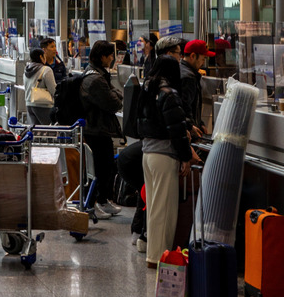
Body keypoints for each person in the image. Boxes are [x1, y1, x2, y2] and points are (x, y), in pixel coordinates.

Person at [138, 55, 201, 269]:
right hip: (165, 156)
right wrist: (185, 156)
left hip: (148, 153)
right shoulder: (170, 94)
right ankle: (158, 258)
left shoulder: (148, 88)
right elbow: (176, 132)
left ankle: (153, 254)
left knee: (155, 208)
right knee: (164, 211)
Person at [79, 40, 124, 220]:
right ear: (103, 56)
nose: (113, 58)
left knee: (105, 166)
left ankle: (102, 200)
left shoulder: (98, 74)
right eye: (111, 55)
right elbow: (114, 102)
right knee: (97, 168)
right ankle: (91, 204)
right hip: (95, 129)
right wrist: (117, 95)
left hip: (99, 128)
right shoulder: (95, 79)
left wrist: (115, 93)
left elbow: (114, 95)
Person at [180, 40, 214, 138]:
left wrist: (200, 123)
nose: (203, 63)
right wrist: (191, 126)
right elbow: (185, 107)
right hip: (188, 133)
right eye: (203, 59)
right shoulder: (188, 77)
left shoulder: (181, 69)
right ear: (193, 56)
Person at [24, 48, 56, 125]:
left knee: (36, 131)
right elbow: (53, 90)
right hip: (43, 104)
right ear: (41, 57)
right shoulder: (46, 70)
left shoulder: (26, 70)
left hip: (29, 104)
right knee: (48, 131)